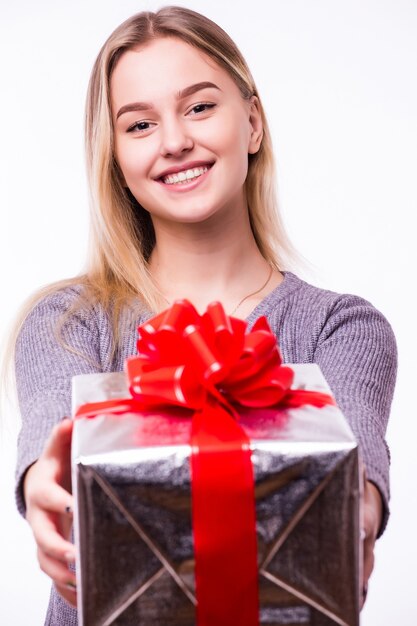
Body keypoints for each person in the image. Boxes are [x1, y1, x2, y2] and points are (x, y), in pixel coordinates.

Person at [13, 6, 397, 625]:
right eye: (138, 125)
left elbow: (358, 459)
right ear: (114, 155)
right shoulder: (69, 321)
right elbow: (52, 423)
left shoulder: (343, 328)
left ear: (252, 122)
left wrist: (363, 506)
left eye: (198, 107)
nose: (173, 142)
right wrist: (42, 481)